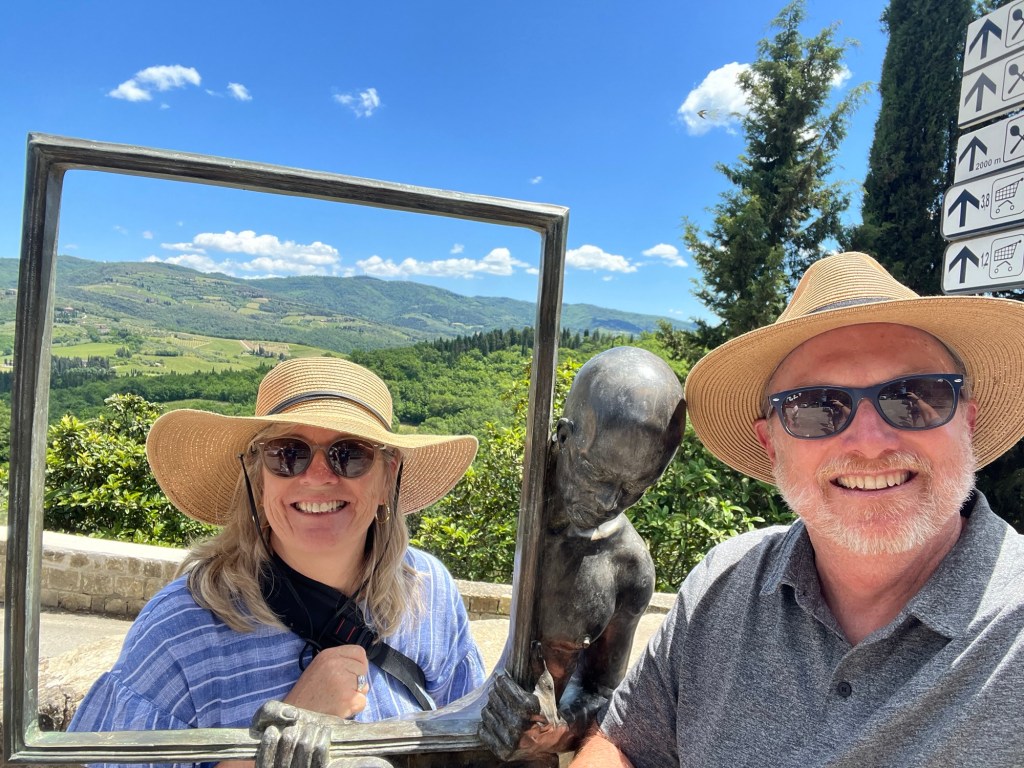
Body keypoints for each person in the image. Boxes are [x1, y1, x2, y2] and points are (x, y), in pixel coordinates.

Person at [573, 252, 1024, 767]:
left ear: (968, 421)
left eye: (914, 396)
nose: (870, 443)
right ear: (771, 444)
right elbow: (623, 746)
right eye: (816, 407)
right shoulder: (722, 587)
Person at [69, 357, 486, 765]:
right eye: (288, 454)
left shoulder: (428, 591)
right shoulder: (181, 633)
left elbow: (464, 743)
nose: (318, 476)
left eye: (349, 454)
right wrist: (283, 733)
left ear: (387, 476)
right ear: (258, 475)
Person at [481, 346, 685, 760]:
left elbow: (603, 695)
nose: (610, 502)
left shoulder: (628, 568)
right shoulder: (526, 486)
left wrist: (553, 731)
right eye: (596, 474)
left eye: (634, 489)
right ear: (563, 436)